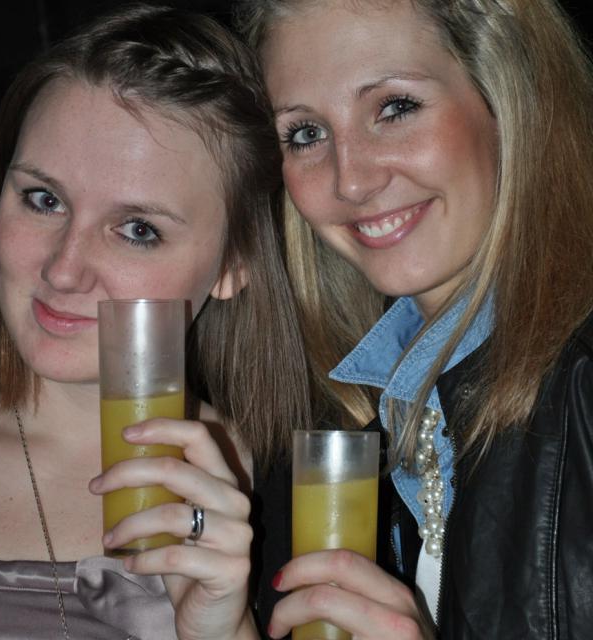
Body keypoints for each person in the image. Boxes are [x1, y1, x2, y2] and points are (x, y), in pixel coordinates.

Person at [0, 4, 313, 639]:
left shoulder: (305, 505)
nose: (65, 269)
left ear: (235, 263)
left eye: (138, 229)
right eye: (43, 199)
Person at [235, 0, 593, 637]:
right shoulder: (350, 419)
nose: (350, 181)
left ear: (509, 98)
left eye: (395, 107)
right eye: (306, 133)